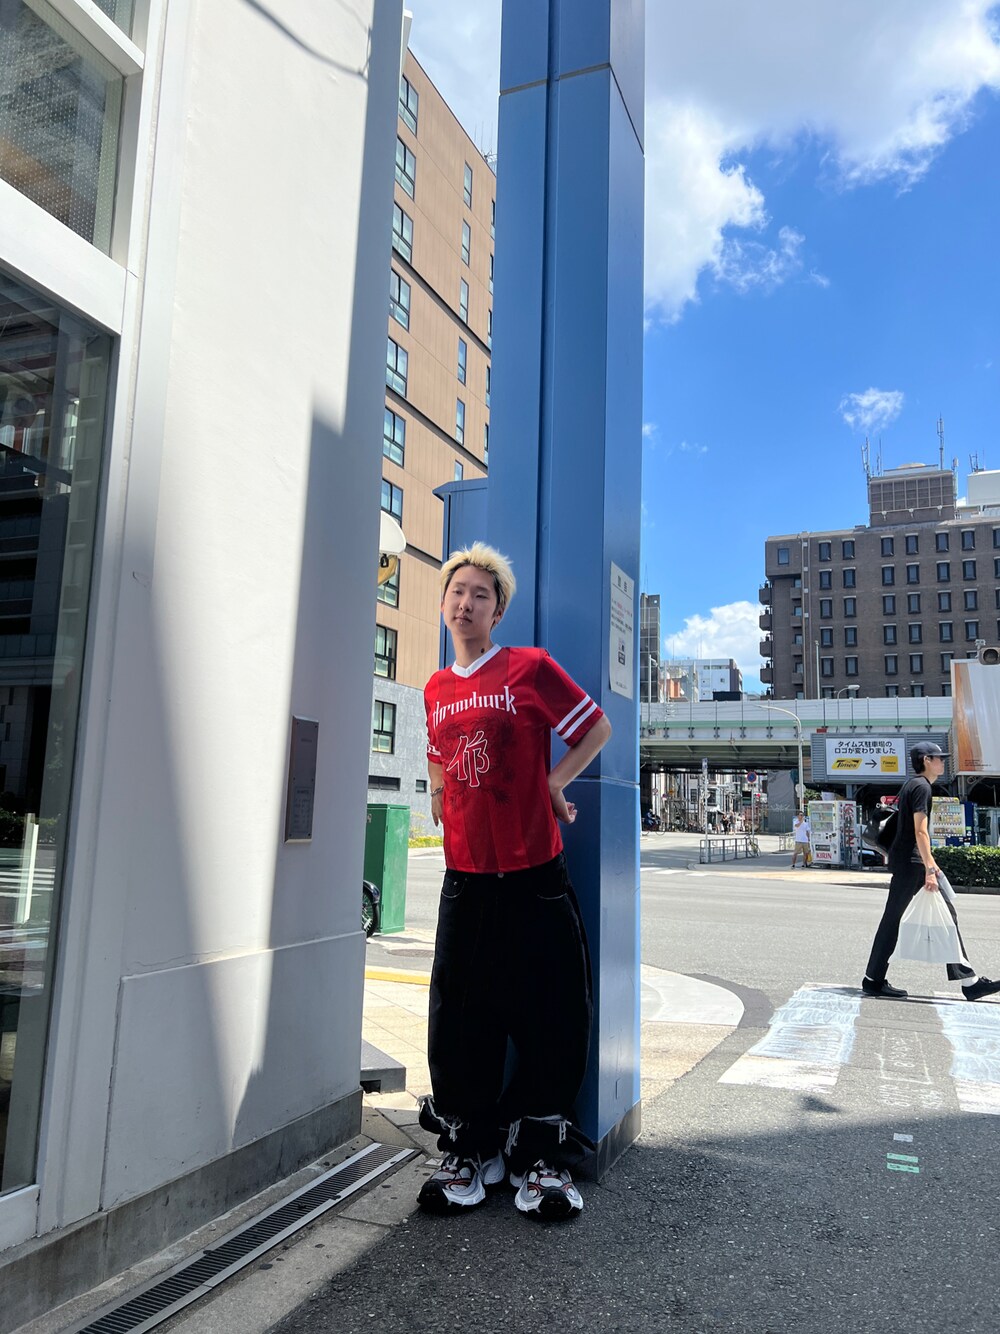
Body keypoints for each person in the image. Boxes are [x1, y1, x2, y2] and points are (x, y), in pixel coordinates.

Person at [417, 542, 612, 1221]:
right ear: (444, 603)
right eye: (457, 591)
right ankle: (472, 1150)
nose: (466, 602)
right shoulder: (434, 690)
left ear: (498, 611)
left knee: (552, 1013)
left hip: (535, 876)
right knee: (460, 1019)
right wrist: (438, 790)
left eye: (481, 594)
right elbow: (439, 754)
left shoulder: (529, 667)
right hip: (465, 880)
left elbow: (596, 728)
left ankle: (540, 1157)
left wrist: (554, 782)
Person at [862, 741, 1000, 1001]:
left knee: (901, 918)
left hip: (908, 861)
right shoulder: (922, 787)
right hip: (913, 863)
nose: (943, 762)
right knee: (933, 916)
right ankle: (969, 983)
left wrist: (929, 863)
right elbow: (920, 831)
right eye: (939, 758)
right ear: (926, 760)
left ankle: (873, 979)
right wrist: (929, 868)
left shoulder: (912, 785)